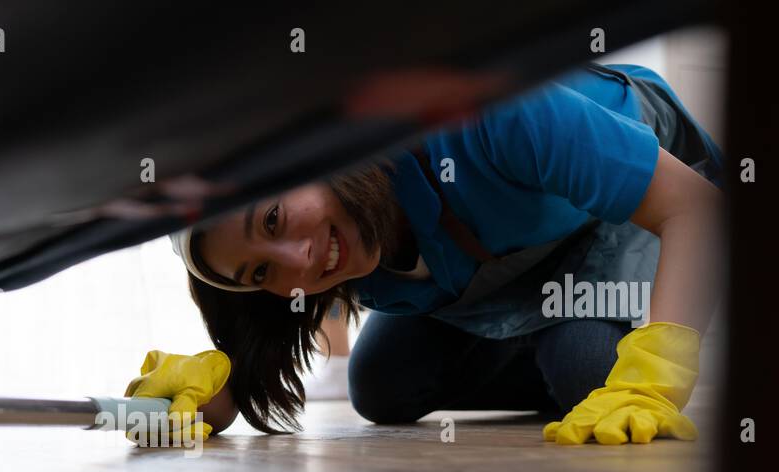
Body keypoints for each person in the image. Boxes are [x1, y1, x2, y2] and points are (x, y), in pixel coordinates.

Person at [130, 63, 724, 445]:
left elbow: (696, 209)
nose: (301, 261)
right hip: (498, 274)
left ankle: (580, 345)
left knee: (590, 374)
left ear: (305, 156)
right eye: (261, 272)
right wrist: (216, 393)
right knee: (380, 388)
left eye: (274, 218)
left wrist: (654, 376)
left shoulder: (486, 114)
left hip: (624, 205)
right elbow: (260, 352)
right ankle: (548, 339)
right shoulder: (345, 252)